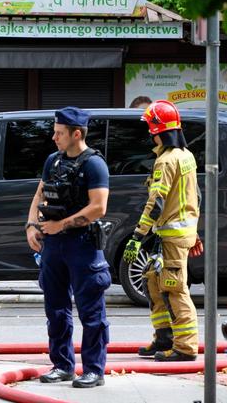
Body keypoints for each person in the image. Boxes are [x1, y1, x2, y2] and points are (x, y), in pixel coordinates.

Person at [25, 107, 110, 388]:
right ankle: (62, 365)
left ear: (76, 134)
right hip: (53, 246)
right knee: (56, 308)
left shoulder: (94, 165)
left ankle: (94, 370)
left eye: (59, 133)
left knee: (91, 311)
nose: (53, 137)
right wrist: (31, 226)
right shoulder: (54, 161)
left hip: (82, 245)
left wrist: (60, 225)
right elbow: (39, 194)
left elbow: (98, 207)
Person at [122, 100, 204, 362]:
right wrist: (194, 233)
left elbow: (156, 202)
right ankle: (164, 337)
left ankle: (185, 347)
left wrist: (137, 236)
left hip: (171, 236)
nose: (148, 132)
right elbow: (194, 198)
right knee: (152, 280)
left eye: (150, 126)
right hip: (176, 234)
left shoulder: (167, 161)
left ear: (158, 129)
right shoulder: (186, 156)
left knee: (174, 288)